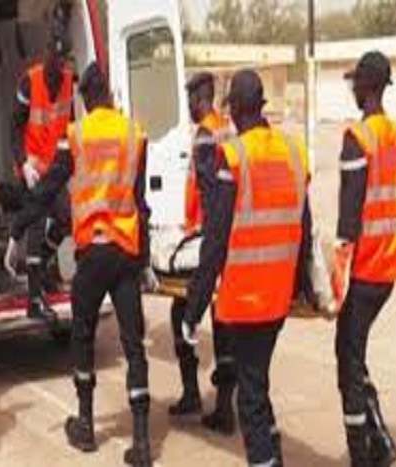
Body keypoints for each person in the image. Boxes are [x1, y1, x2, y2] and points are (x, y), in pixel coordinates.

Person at [4, 62, 158, 466]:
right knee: (133, 345)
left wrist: (17, 231)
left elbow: (46, 191)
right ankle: (142, 441)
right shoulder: (134, 133)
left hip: (92, 255)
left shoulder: (76, 135)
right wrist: (145, 261)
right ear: (109, 94)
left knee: (83, 336)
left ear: (86, 99)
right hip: (126, 254)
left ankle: (86, 426)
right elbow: (140, 205)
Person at [183, 69, 312, 467]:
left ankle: (265, 459)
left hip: (248, 299)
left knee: (250, 400)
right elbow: (305, 225)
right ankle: (274, 454)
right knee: (257, 380)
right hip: (279, 296)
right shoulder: (294, 150)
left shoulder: (234, 155)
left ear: (237, 108)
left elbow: (216, 240)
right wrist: (302, 286)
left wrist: (193, 307)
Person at [332, 51, 396, 467]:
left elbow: (349, 217)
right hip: (388, 272)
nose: (352, 88)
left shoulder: (359, 137)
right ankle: (379, 437)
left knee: (347, 362)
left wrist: (335, 281)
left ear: (368, 86)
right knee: (351, 352)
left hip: (365, 270)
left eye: (356, 82)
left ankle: (364, 453)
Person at [168, 72, 238, 437]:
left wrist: (201, 239)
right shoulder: (225, 128)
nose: (189, 107)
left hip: (206, 240)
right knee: (222, 323)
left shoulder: (207, 135)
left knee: (181, 310)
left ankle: (194, 394)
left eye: (190, 100)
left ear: (200, 98)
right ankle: (223, 406)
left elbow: (210, 195)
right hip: (219, 236)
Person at [10, 22, 75, 322]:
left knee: (65, 219)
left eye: (63, 61)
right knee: (36, 228)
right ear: (47, 52)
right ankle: (34, 301)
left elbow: (68, 125)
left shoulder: (68, 82)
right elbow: (14, 127)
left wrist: (68, 161)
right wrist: (23, 163)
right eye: (55, 58)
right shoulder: (30, 81)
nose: (58, 66)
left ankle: (40, 267)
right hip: (33, 170)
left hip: (55, 170)